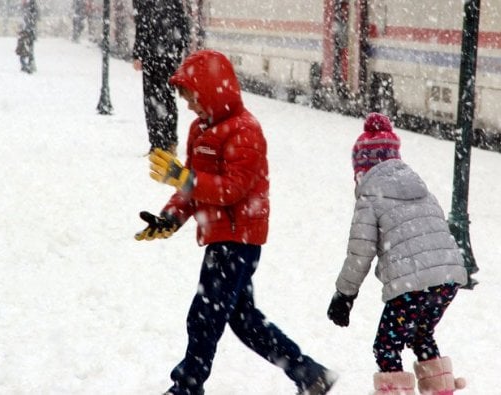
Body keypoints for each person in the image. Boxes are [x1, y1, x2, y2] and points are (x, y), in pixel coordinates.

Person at [135, 49, 337, 395]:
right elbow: (193, 187)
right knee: (243, 321)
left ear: (211, 91)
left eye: (192, 98)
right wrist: (169, 218)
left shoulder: (245, 131)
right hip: (222, 238)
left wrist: (183, 178)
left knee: (205, 315)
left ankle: (186, 386)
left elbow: (230, 189)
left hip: (239, 240)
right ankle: (309, 374)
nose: (188, 107)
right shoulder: (200, 130)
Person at [326, 112, 468, 395]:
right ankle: (441, 390)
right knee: (421, 334)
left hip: (411, 287)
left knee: (386, 346)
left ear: (362, 168)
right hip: (448, 278)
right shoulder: (422, 189)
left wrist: (344, 296)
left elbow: (360, 254)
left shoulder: (370, 195)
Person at [131, 0, 189, 154]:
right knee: (165, 98)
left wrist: (138, 53)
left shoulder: (148, 5)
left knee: (154, 99)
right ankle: (167, 142)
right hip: (165, 56)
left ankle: (160, 142)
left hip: (157, 55)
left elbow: (142, 25)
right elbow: (182, 24)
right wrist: (179, 50)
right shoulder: (171, 5)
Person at [16, 0, 38, 73]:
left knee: (26, 49)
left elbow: (31, 18)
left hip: (27, 31)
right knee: (26, 49)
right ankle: (28, 65)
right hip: (27, 31)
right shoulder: (28, 8)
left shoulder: (30, 7)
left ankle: (27, 65)